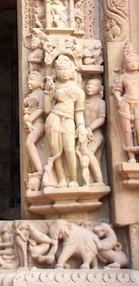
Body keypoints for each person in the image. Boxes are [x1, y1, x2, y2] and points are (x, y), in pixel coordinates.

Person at [44, 54, 86, 188]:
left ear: (72, 71)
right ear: (55, 72)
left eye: (67, 69)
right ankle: (61, 179)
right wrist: (47, 92)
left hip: (69, 119)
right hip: (53, 118)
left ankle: (73, 179)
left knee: (69, 149)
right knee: (55, 151)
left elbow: (79, 112)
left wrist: (81, 127)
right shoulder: (53, 87)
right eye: (61, 69)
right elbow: (46, 110)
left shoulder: (78, 91)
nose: (65, 72)